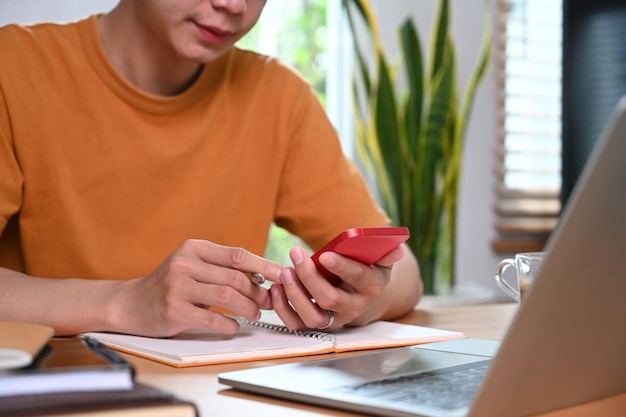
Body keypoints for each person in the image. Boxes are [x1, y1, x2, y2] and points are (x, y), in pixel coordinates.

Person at [0, 0, 422, 338]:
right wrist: (125, 303)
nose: (234, 5)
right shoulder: (14, 68)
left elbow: (403, 271)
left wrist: (361, 299)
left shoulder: (278, 96)